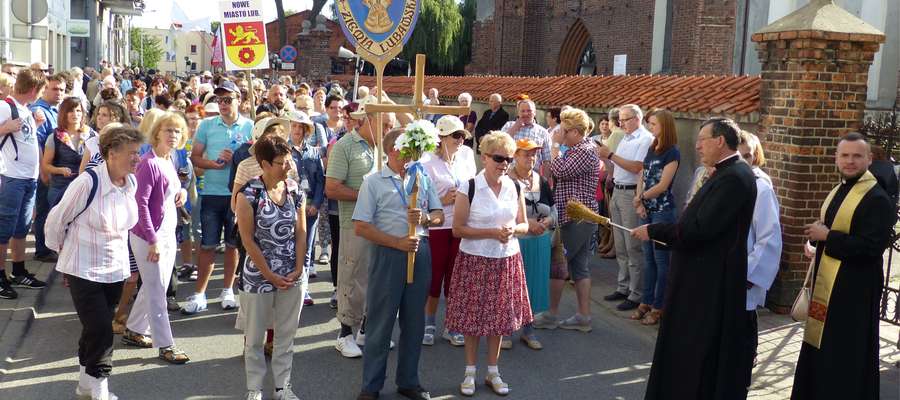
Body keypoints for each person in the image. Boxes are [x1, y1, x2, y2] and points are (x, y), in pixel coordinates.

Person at [632, 117, 757, 399]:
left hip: (709, 280)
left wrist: (654, 230)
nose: (697, 145)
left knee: (699, 351)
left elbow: (699, 229)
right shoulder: (725, 173)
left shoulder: (735, 177)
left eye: (702, 139)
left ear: (720, 141)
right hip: (699, 275)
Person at [790, 132, 895, 400]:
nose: (850, 161)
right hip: (830, 286)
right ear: (836, 159)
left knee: (847, 352)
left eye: (857, 156)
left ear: (869, 159)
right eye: (845, 155)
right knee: (822, 346)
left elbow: (872, 247)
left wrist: (827, 237)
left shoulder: (877, 198)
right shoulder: (840, 188)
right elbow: (835, 230)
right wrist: (817, 246)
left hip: (855, 290)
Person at [45, 126, 143, 400]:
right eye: (132, 153)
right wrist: (62, 254)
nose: (137, 159)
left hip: (115, 268)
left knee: (94, 328)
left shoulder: (130, 183)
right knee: (101, 329)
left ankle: (84, 385)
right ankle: (100, 389)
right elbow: (55, 221)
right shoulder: (88, 182)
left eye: (139, 153)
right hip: (82, 268)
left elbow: (125, 227)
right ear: (111, 153)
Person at [353, 128, 443, 400]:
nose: (415, 155)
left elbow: (439, 214)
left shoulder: (421, 176)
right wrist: (396, 243)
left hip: (420, 251)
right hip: (388, 254)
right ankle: (371, 385)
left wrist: (426, 219)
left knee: (415, 322)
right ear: (394, 150)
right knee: (381, 323)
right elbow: (361, 227)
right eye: (410, 150)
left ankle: (409, 381)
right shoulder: (373, 181)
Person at [445, 131, 531, 397]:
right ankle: (469, 373)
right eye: (498, 158)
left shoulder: (515, 186)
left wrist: (514, 229)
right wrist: (491, 233)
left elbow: (524, 224)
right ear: (484, 158)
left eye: (507, 158)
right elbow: (457, 229)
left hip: (506, 259)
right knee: (473, 320)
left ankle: (492, 371)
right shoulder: (469, 187)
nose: (504, 163)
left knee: (499, 319)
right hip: (475, 259)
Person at [235, 135, 308, 400]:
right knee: (254, 338)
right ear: (264, 164)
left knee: (286, 335)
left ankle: (282, 387)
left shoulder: (295, 190)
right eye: (281, 162)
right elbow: (247, 239)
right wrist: (268, 274)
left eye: (289, 160)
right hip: (258, 275)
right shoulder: (249, 193)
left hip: (291, 273)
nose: (288, 166)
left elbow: (301, 231)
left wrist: (299, 267)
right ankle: (254, 388)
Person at [121, 112, 191, 364]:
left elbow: (169, 191)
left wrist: (181, 191)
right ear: (157, 133)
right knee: (157, 290)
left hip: (167, 234)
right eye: (168, 130)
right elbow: (140, 205)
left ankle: (134, 329)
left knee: (155, 285)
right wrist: (152, 240)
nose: (174, 135)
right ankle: (166, 345)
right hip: (149, 237)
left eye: (177, 131)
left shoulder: (168, 159)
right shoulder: (149, 162)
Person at [325, 100, 390, 358]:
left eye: (390, 125)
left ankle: (365, 329)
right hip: (353, 223)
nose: (387, 130)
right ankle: (344, 333)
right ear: (368, 120)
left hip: (381, 224)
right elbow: (332, 188)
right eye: (384, 124)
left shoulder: (384, 149)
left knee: (375, 279)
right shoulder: (344, 146)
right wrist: (367, 195)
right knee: (352, 278)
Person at [184, 80, 253, 314]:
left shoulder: (249, 126)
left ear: (239, 100)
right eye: (220, 100)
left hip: (239, 195)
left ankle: (227, 291)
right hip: (212, 193)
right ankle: (199, 294)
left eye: (228, 99)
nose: (223, 104)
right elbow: (194, 157)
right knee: (208, 245)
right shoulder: (206, 125)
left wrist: (237, 158)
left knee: (233, 245)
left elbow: (255, 161)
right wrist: (213, 164)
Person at [536, 108, 600, 332]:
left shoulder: (583, 150)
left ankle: (551, 315)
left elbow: (560, 170)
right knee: (580, 267)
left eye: (563, 130)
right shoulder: (581, 148)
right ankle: (583, 317)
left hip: (576, 218)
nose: (559, 133)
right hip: (578, 216)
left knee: (558, 266)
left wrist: (554, 147)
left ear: (574, 131)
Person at [420, 115, 477, 347]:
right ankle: (428, 321)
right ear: (441, 137)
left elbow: (473, 187)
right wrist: (442, 200)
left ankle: (452, 325)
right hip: (437, 226)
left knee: (456, 278)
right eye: (456, 135)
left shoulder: (466, 159)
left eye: (462, 135)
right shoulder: (427, 163)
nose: (460, 140)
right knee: (434, 277)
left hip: (460, 226)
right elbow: (419, 201)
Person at [734, 130, 782, 384]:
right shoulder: (726, 179)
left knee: (744, 321)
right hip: (725, 268)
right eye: (738, 155)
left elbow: (769, 235)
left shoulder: (760, 188)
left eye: (748, 155)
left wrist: (750, 273)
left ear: (756, 156)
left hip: (744, 271)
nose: (743, 161)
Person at [596, 104, 653, 311]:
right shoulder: (626, 137)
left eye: (626, 119)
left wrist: (610, 156)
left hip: (631, 193)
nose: (621, 123)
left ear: (637, 119)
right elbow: (618, 165)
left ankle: (636, 293)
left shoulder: (645, 139)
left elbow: (637, 167)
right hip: (618, 190)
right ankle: (623, 286)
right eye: (620, 119)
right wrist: (605, 159)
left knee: (632, 246)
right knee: (620, 243)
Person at [0, 69, 47, 298]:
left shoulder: (25, 109)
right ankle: (0, 277)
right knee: (4, 229)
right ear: (32, 90)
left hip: (28, 178)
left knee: (21, 228)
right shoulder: (5, 106)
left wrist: (35, 125)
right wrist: (5, 128)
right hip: (12, 178)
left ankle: (18, 271)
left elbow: (23, 140)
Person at [630, 109, 680, 325]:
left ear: (665, 126)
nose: (650, 128)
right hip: (647, 209)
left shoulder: (673, 152)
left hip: (662, 211)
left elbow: (662, 185)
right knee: (648, 259)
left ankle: (659, 307)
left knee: (662, 262)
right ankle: (646, 301)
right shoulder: (652, 147)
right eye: (649, 123)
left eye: (653, 124)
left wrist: (641, 197)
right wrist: (639, 200)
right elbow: (643, 173)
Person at [507, 138, 555, 349]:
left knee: (533, 284)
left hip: (539, 239)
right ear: (515, 155)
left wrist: (548, 221)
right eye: (526, 153)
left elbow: (553, 209)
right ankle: (506, 330)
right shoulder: (506, 179)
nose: (531, 157)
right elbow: (502, 211)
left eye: (534, 154)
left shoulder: (541, 180)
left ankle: (528, 329)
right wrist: (528, 223)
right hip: (516, 239)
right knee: (511, 284)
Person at [286, 110, 324, 305]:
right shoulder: (283, 150)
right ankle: (288, 285)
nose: (297, 130)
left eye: (300, 127)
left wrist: (316, 204)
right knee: (288, 246)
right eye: (293, 126)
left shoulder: (314, 152)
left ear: (306, 130)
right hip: (288, 207)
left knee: (307, 247)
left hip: (309, 208)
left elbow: (320, 181)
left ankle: (304, 287)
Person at [30, 72, 67, 262]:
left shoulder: (56, 109)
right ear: (45, 89)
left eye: (62, 89)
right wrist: (44, 171)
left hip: (57, 169)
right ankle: (42, 249)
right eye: (54, 89)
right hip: (46, 168)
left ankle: (48, 247)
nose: (59, 93)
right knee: (44, 209)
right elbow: (36, 144)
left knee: (52, 209)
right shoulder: (39, 111)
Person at [41, 98, 95, 224]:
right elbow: (45, 165)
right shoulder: (54, 136)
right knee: (57, 226)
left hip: (83, 188)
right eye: (71, 111)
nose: (75, 114)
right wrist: (60, 170)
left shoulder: (91, 135)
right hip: (59, 188)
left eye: (78, 110)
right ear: (63, 113)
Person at [501, 98, 552, 177]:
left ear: (534, 112)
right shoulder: (509, 125)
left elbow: (547, 160)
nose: (525, 113)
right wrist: (514, 128)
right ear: (518, 113)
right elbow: (499, 146)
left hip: (532, 177)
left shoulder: (543, 132)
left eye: (529, 111)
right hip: (509, 175)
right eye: (523, 111)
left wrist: (544, 182)